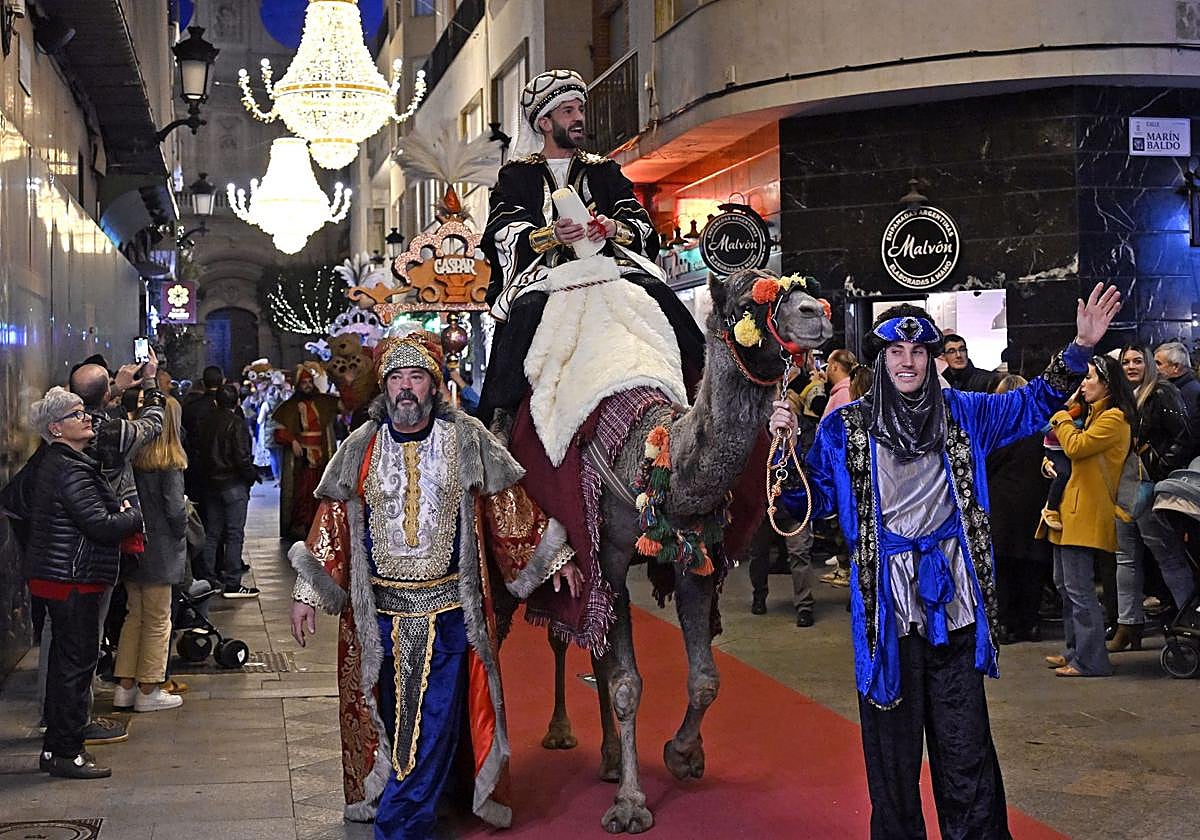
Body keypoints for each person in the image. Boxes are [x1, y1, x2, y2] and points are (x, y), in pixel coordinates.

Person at [770, 283, 1120, 839]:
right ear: (881, 359)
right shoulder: (844, 428)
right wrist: (783, 453)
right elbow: (806, 503)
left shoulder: (966, 412)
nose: (907, 363)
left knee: (966, 750)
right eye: (895, 352)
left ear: (932, 357)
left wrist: (1079, 347)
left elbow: (1031, 405)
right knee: (892, 757)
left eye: (917, 352)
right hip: (886, 616)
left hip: (953, 606)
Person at [288, 332, 583, 838]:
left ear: (434, 385)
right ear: (385, 387)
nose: (406, 388)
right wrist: (308, 592)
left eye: (417, 377)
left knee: (435, 720)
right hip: (377, 618)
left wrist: (551, 557)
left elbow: (508, 505)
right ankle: (411, 802)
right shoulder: (360, 446)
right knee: (389, 720)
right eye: (397, 378)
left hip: (449, 614)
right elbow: (333, 520)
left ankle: (403, 822)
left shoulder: (468, 439)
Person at [25, 387, 142, 779]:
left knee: (67, 663)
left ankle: (59, 746)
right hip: (73, 578)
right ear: (56, 428)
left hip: (63, 575)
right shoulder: (68, 467)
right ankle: (65, 751)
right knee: (74, 666)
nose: (87, 417)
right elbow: (99, 526)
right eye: (77, 415)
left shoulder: (64, 461)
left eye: (84, 411)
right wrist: (132, 516)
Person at [1039, 354, 1134, 678]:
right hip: (1068, 508)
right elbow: (1069, 455)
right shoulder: (1092, 414)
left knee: (1079, 589)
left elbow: (1078, 447)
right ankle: (1074, 651)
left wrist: (1061, 415)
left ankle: (1091, 660)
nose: (1083, 384)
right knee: (1064, 585)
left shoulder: (1114, 419)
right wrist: (1049, 464)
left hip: (1086, 511)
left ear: (1108, 383)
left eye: (1090, 378)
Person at [1110, 345, 1195, 651]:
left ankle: (1190, 624)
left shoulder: (1161, 393)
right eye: (1125, 361)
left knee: (1168, 558)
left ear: (1148, 363)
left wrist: (1159, 468)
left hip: (1151, 490)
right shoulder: (1120, 396)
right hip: (1124, 488)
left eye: (1137, 361)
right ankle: (1127, 624)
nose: (1131, 366)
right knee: (1125, 559)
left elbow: (1185, 437)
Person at [114, 395, 189, 712]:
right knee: (159, 620)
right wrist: (185, 518)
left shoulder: (131, 459)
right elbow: (174, 512)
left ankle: (125, 687)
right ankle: (149, 689)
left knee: (134, 617)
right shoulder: (168, 463)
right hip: (161, 551)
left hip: (134, 548)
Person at [985, 374, 1051, 644]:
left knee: (1002, 566)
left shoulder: (994, 428)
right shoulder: (1041, 426)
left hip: (1000, 505)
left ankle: (1004, 624)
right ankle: (1031, 623)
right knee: (1032, 565)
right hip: (1034, 504)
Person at [199, 385, 260, 599]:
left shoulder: (207, 422)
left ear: (216, 401)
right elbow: (241, 456)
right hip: (233, 483)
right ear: (237, 403)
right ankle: (233, 582)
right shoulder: (236, 424)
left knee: (212, 532)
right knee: (234, 533)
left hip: (210, 483)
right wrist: (251, 475)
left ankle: (208, 578)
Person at [274, 364, 340, 540]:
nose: (308, 385)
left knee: (321, 491)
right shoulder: (290, 407)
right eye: (304, 383)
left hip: (323, 455)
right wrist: (293, 441)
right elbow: (280, 432)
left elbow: (343, 407)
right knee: (302, 493)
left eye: (310, 382)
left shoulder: (323, 402)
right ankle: (301, 526)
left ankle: (321, 524)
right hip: (302, 459)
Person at [182, 365, 224, 506]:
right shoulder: (230, 409)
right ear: (222, 381)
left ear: (204, 383)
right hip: (226, 471)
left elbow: (184, 437)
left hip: (197, 467)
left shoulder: (190, 408)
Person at [1154, 340, 1200, 457]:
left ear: (1176, 367)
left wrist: (1163, 467)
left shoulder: (1191, 394)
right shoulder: (1170, 391)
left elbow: (1187, 440)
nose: (1153, 368)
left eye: (1158, 363)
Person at [821, 349, 858, 419]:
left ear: (834, 366)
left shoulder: (843, 394)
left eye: (828, 364)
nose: (826, 368)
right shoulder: (843, 391)